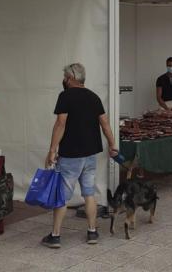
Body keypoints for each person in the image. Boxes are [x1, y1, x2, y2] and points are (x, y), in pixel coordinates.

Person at [42, 63, 118, 249]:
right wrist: (112, 145)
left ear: (70, 78)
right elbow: (105, 124)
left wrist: (52, 150)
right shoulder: (94, 97)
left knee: (62, 196)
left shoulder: (65, 96)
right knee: (89, 193)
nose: (64, 80)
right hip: (90, 153)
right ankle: (92, 232)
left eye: (65, 77)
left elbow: (60, 123)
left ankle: (55, 235)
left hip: (70, 154)